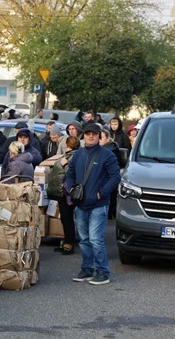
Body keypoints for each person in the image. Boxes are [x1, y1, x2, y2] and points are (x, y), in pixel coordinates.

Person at [64, 122, 121, 285]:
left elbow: (115, 177)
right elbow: (71, 174)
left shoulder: (107, 155)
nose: (91, 136)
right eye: (88, 133)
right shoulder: (78, 154)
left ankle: (103, 271)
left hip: (98, 204)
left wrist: (100, 193)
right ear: (84, 136)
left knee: (95, 239)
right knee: (84, 239)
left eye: (94, 134)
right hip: (81, 204)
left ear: (99, 136)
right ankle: (87, 269)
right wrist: (71, 188)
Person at [47, 136, 80, 255]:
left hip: (65, 193)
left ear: (66, 144)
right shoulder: (72, 155)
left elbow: (70, 173)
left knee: (67, 219)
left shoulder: (71, 157)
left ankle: (69, 244)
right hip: (63, 192)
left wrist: (65, 165)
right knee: (65, 218)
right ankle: (67, 241)